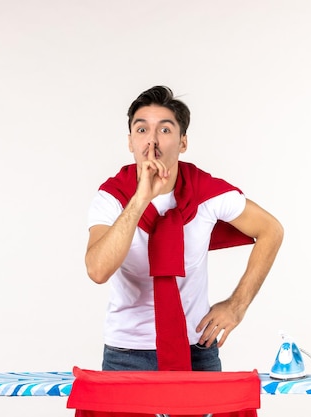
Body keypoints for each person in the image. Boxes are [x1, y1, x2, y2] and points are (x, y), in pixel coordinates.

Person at [85, 86, 284, 372]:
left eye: (164, 130)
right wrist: (140, 199)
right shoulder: (112, 197)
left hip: (197, 350)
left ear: (183, 142)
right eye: (141, 130)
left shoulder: (206, 192)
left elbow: (271, 230)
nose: (151, 141)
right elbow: (98, 270)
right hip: (125, 353)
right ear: (130, 142)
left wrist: (237, 305)